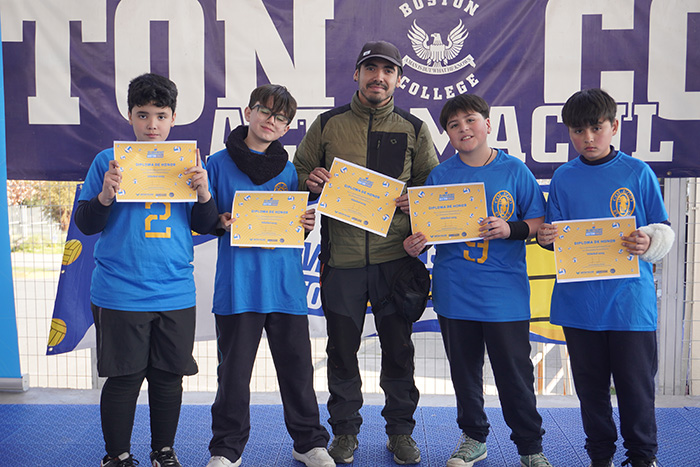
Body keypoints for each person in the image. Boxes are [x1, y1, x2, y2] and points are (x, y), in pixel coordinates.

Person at [293, 40, 439, 465]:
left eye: (388, 70)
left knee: (399, 350)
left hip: (397, 260)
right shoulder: (328, 124)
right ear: (356, 74)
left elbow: (433, 187)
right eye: (371, 69)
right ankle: (344, 433)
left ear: (398, 79)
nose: (379, 77)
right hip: (342, 261)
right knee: (341, 351)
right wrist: (310, 181)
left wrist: (418, 203)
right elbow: (298, 173)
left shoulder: (414, 127)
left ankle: (400, 431)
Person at [75, 73, 218, 467]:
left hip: (175, 290)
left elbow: (206, 224)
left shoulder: (189, 161)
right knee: (123, 378)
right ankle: (117, 456)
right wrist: (105, 196)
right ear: (130, 116)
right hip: (120, 291)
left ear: (173, 118)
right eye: (143, 115)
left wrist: (204, 192)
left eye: (160, 115)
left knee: (169, 378)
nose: (152, 124)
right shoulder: (107, 161)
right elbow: (85, 223)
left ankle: (163, 451)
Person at [403, 94, 553, 467]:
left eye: (470, 120)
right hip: (455, 292)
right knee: (465, 374)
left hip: (505, 296)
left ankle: (530, 448)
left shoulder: (514, 170)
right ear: (447, 134)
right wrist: (417, 243)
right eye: (454, 125)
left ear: (487, 123)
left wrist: (510, 228)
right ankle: (474, 438)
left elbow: (538, 223)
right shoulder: (440, 176)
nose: (464, 129)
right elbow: (429, 230)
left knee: (515, 375)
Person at [536, 88, 674, 467]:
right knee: (591, 392)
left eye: (596, 128)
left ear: (614, 126)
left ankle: (643, 457)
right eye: (578, 130)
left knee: (636, 390)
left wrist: (650, 240)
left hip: (630, 304)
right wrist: (545, 238)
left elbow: (662, 229)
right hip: (580, 306)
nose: (588, 138)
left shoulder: (638, 172)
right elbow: (556, 235)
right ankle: (600, 456)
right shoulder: (564, 177)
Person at [204, 84, 334, 467]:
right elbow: (203, 219)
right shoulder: (216, 164)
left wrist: (305, 225)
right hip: (238, 289)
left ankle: (308, 443)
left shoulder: (290, 171)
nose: (271, 121)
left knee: (298, 373)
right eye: (265, 111)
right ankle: (226, 449)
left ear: (287, 128)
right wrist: (218, 221)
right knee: (233, 377)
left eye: (280, 118)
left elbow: (292, 228)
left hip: (285, 288)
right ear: (248, 112)